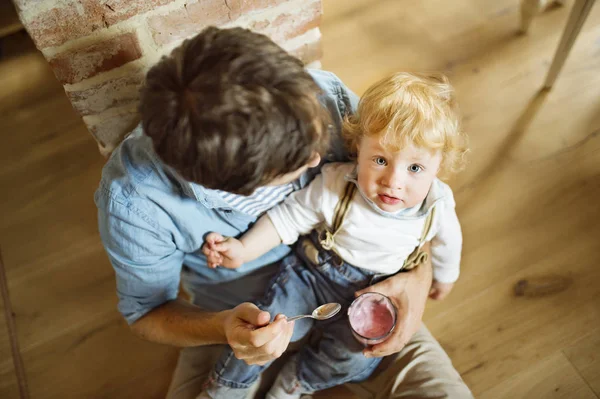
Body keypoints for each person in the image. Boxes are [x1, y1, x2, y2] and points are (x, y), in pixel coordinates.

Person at [95, 26, 474, 399]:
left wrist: (420, 279)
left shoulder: (324, 96)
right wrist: (226, 327)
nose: (318, 157)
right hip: (235, 312)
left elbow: (410, 188)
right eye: (298, 159)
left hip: (367, 285)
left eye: (315, 135)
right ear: (237, 185)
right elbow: (148, 313)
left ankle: (300, 382)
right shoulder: (135, 200)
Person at [200, 72, 468, 399]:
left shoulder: (438, 205)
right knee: (265, 324)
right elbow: (288, 218)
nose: (393, 181)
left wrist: (444, 276)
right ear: (358, 150)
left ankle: (295, 383)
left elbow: (448, 243)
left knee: (354, 356)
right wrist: (243, 248)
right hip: (311, 276)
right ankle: (227, 386)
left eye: (415, 168)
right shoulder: (337, 183)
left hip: (373, 296)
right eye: (381, 160)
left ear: (439, 166)